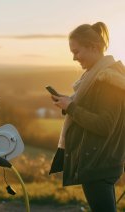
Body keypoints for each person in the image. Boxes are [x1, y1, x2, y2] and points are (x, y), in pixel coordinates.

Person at [49, 22, 125, 212]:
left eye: (77, 51)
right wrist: (68, 103)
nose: (74, 58)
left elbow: (104, 125)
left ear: (92, 47)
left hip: (99, 163)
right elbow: (93, 109)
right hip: (98, 161)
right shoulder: (93, 76)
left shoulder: (108, 79)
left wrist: (72, 107)